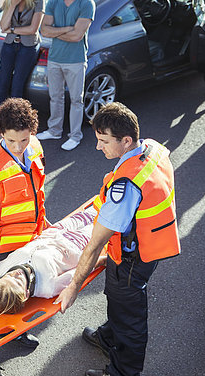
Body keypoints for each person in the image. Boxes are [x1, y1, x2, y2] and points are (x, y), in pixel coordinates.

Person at [55, 103, 181, 376]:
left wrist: (73, 286)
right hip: (152, 243)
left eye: (104, 141)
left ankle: (123, 371)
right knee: (116, 295)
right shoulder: (152, 148)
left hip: (133, 259)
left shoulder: (125, 187)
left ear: (126, 141)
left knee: (129, 316)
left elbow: (96, 243)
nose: (99, 147)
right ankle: (110, 337)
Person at [0, 97, 48, 376]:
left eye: (24, 140)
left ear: (32, 133)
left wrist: (44, 223)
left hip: (27, 241)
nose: (19, 147)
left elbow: (36, 194)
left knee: (21, 294)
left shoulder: (35, 148)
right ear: (1, 133)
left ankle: (16, 332)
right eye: (12, 141)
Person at [0, 207, 104, 322]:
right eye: (18, 282)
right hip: (78, 243)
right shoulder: (48, 287)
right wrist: (103, 259)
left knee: (94, 208)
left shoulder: (0, 269)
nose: (16, 274)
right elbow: (80, 271)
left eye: (9, 276)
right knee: (105, 219)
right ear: (25, 294)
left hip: (56, 230)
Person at [36, 0, 95, 151]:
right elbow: (44, 30)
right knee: (55, 97)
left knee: (76, 99)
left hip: (75, 60)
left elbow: (77, 36)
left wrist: (55, 32)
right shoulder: (54, 1)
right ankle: (54, 130)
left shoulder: (87, 2)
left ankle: (75, 136)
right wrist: (67, 28)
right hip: (55, 58)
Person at [0, 0, 44, 144]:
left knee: (17, 87)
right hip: (10, 46)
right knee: (2, 85)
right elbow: (2, 26)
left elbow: (33, 29)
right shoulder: (10, 1)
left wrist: (12, 29)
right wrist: (12, 5)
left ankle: (12, 129)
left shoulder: (38, 0)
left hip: (27, 48)